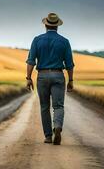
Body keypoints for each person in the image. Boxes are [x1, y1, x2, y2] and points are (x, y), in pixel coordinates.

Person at [26, 13, 74, 145]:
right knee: (58, 106)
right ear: (57, 26)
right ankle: (57, 126)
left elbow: (31, 61)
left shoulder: (37, 40)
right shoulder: (64, 42)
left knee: (44, 107)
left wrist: (28, 78)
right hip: (58, 75)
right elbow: (69, 64)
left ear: (45, 25)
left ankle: (48, 136)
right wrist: (71, 80)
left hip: (42, 76)